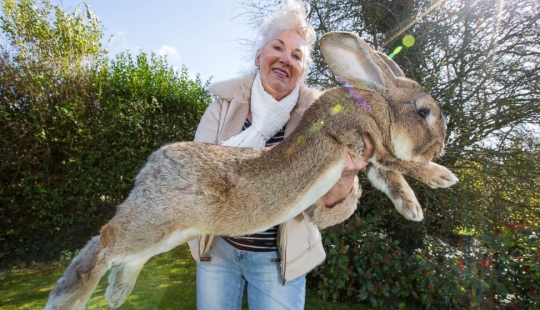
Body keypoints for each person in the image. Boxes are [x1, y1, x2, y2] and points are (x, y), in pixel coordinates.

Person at [188, 0, 374, 309]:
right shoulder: (223, 105)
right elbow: (196, 174)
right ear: (259, 56)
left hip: (277, 261)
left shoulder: (319, 121)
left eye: (297, 56)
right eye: (278, 47)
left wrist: (347, 173)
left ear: (301, 71)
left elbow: (323, 207)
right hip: (218, 251)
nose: (286, 59)